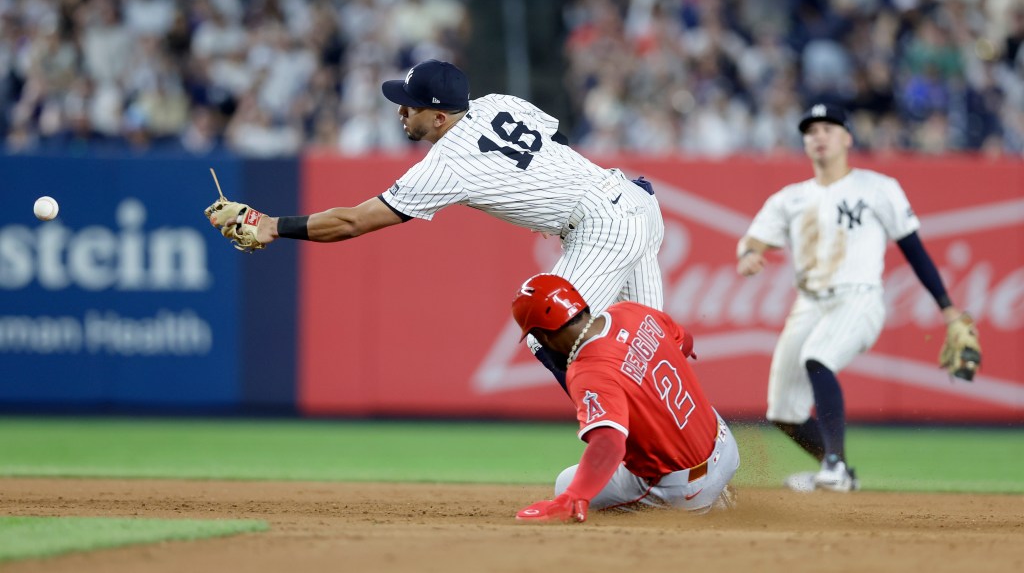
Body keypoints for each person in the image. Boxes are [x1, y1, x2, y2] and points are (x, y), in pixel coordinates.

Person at [208, 59, 666, 390]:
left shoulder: (446, 162)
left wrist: (269, 225)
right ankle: (692, 465)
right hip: (634, 201)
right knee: (654, 351)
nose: (401, 111)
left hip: (602, 226)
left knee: (548, 329)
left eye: (410, 106)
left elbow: (353, 222)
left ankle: (630, 444)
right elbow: (557, 144)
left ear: (440, 117)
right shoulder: (497, 103)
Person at [735, 103, 972, 492]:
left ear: (847, 137)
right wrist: (749, 256)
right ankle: (841, 470)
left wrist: (947, 309)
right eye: (811, 131)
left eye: (828, 128)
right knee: (782, 412)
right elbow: (755, 240)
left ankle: (833, 466)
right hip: (809, 303)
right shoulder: (790, 198)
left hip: (859, 297)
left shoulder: (878, 188)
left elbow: (914, 249)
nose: (819, 136)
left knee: (818, 356)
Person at [510, 273, 740, 522]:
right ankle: (718, 488)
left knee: (566, 482)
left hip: (686, 488)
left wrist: (575, 495)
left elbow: (609, 442)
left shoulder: (587, 370)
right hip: (725, 446)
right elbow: (685, 342)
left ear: (542, 337)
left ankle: (702, 503)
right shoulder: (630, 311)